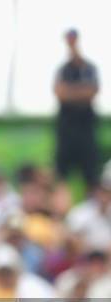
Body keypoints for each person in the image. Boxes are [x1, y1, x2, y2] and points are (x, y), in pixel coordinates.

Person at [53, 29, 100, 189]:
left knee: (91, 176)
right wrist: (81, 92)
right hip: (66, 131)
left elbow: (92, 92)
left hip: (85, 130)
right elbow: (60, 93)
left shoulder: (89, 68)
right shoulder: (63, 69)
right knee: (61, 176)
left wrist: (70, 92)